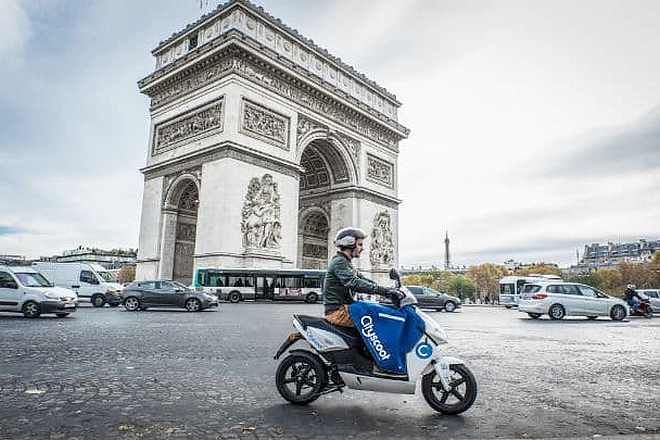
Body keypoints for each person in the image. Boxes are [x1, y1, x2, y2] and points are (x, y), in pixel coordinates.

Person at [323, 227, 405, 378]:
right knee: (376, 322)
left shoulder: (345, 262)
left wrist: (386, 289)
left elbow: (362, 279)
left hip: (344, 308)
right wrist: (384, 291)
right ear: (349, 244)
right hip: (338, 311)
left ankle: (371, 359)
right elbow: (354, 282)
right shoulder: (340, 263)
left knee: (376, 311)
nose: (362, 248)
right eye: (360, 244)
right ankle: (378, 364)